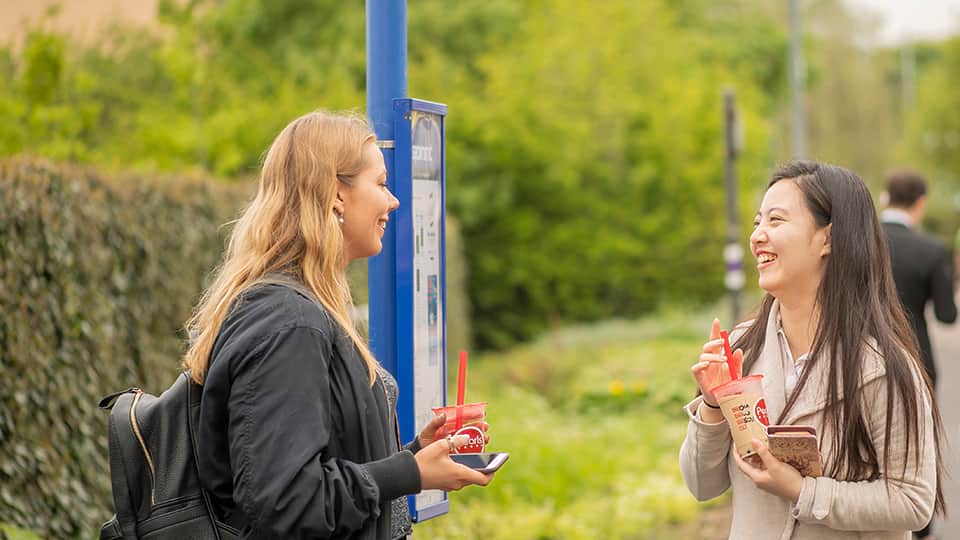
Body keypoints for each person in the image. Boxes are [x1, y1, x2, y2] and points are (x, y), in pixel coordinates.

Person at [182, 110, 492, 540]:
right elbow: (287, 500)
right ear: (336, 194)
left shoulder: (304, 309)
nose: (393, 200)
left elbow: (327, 469)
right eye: (381, 183)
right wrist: (407, 472)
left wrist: (416, 455)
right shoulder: (289, 322)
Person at [679, 161, 944, 540]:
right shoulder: (740, 348)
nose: (758, 236)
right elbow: (702, 485)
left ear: (829, 239)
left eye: (776, 220)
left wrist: (804, 491)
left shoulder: (883, 368)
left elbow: (913, 501)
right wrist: (712, 406)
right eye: (757, 222)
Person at [880, 169, 957, 389]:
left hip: (861, 355)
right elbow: (947, 315)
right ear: (921, 202)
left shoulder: (860, 241)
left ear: (886, 197)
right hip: (916, 357)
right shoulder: (932, 249)